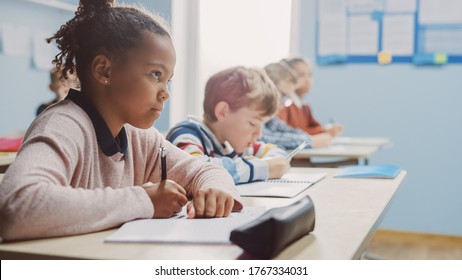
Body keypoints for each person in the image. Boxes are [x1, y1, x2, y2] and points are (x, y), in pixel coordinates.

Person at [0, 0, 242, 241]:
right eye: (155, 74)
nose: (166, 92)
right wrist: (143, 200)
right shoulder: (63, 125)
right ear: (104, 71)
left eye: (168, 80)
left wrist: (215, 191)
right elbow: (17, 205)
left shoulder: (140, 137)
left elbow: (204, 171)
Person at [166, 66, 290, 184]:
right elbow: (194, 171)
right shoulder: (185, 134)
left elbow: (277, 152)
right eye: (253, 123)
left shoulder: (231, 145)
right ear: (223, 112)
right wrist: (264, 168)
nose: (259, 134)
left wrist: (269, 164)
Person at [262, 62, 331, 149]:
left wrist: (308, 138)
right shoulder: (254, 115)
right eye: (283, 95)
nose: (284, 104)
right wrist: (310, 141)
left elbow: (289, 130)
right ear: (266, 89)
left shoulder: (270, 119)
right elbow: (264, 139)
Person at [278, 57, 343, 138]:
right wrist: (324, 130)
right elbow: (289, 133)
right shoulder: (284, 104)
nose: (308, 80)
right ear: (288, 78)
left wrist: (328, 129)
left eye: (310, 75)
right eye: (301, 75)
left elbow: (315, 127)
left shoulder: (305, 106)